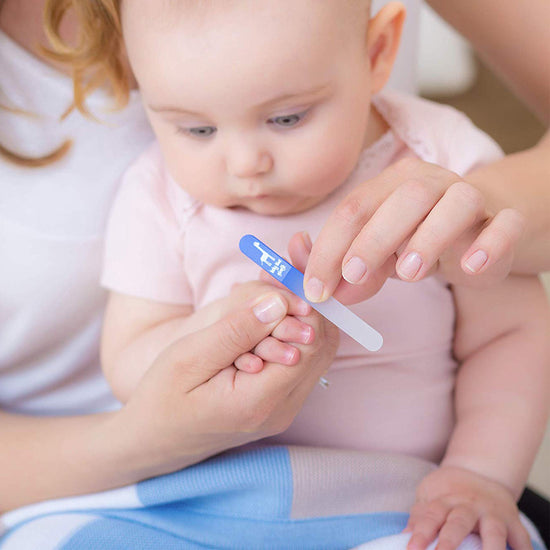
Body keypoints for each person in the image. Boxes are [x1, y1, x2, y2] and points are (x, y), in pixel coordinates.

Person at [0, 0, 549, 542]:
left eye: (286, 118)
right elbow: (128, 359)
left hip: (401, 498)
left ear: (377, 51)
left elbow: (513, 334)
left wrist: (479, 474)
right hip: (189, 498)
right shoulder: (158, 198)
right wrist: (211, 331)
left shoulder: (436, 158)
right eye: (196, 130)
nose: (245, 164)